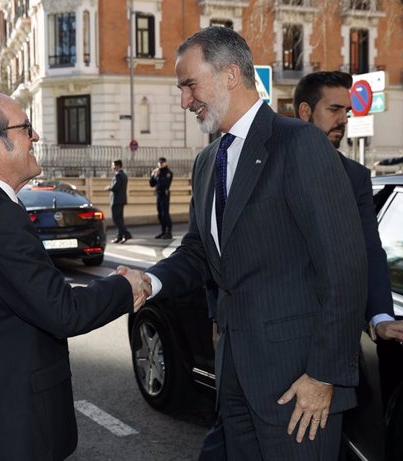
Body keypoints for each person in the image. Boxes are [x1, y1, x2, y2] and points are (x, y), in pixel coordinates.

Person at [145, 27, 368, 460]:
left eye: (189, 85)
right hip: (234, 379)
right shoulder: (209, 161)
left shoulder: (298, 143)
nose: (184, 100)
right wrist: (148, 283)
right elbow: (199, 252)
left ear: (230, 74)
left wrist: (324, 376)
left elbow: (345, 267)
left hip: (299, 386)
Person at [0, 92, 150, 460]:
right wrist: (125, 287)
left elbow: (20, 293)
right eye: (26, 128)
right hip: (10, 428)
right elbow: (61, 311)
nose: (35, 138)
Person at [293, 71, 403, 343]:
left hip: (338, 336)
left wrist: (381, 316)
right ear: (305, 111)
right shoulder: (270, 167)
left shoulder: (356, 177)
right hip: (276, 336)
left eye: (346, 111)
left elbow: (369, 250)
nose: (343, 119)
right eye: (334, 109)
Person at [107, 159, 132, 244]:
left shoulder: (118, 175)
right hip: (121, 200)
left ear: (118, 166)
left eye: (113, 165)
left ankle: (126, 234)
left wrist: (109, 188)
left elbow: (116, 187)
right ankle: (119, 236)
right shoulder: (124, 174)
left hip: (116, 200)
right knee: (120, 219)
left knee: (116, 219)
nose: (112, 167)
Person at [150, 157, 173, 239]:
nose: (160, 164)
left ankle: (168, 232)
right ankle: (163, 231)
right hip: (158, 194)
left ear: (165, 163)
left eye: (162, 162)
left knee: (165, 213)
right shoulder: (157, 172)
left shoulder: (168, 173)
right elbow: (152, 184)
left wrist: (158, 175)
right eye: (159, 162)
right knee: (160, 214)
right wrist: (153, 175)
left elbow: (164, 183)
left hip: (164, 194)